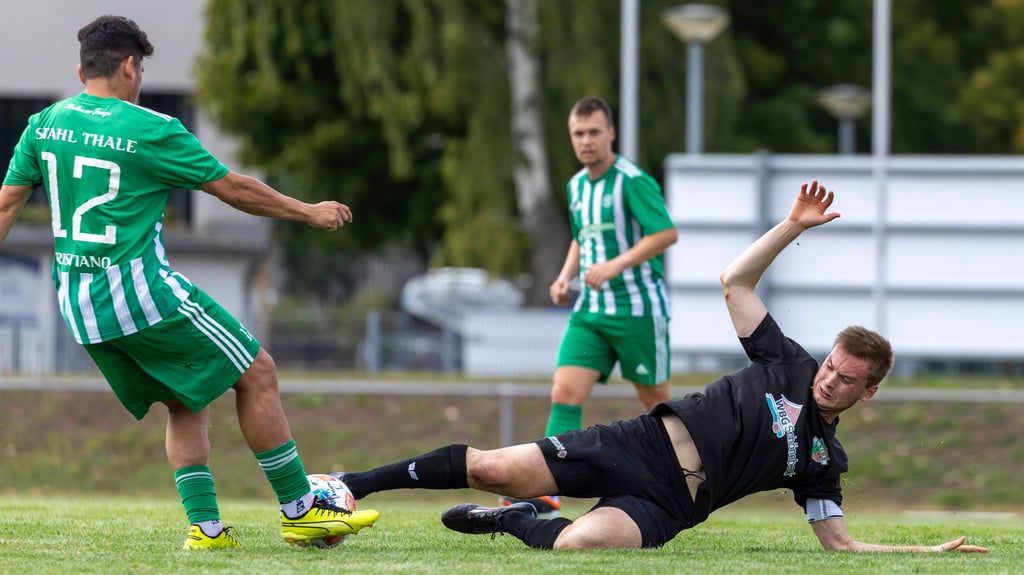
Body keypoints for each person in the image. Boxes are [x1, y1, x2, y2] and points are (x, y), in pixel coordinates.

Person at [333, 181, 988, 553]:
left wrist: (924, 552)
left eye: (846, 379)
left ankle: (510, 519)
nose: (829, 379)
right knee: (493, 468)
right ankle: (352, 484)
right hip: (639, 443)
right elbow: (734, 281)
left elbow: (839, 546)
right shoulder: (787, 360)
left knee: (575, 547)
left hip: (672, 503)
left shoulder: (824, 460)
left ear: (867, 393)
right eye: (831, 367)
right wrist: (792, 226)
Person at [0, 15, 378, 549]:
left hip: (79, 305)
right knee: (258, 372)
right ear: (130, 66)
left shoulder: (43, 125)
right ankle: (302, 510)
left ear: (81, 72)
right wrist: (308, 210)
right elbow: (233, 188)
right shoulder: (151, 129)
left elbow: (6, 206)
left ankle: (206, 530)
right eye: (141, 69)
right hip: (139, 294)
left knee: (184, 399)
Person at [505, 97, 678, 516]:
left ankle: (685, 481)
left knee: (655, 401)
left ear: (610, 133)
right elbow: (582, 238)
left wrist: (616, 264)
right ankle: (546, 490)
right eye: (578, 133)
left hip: (638, 311)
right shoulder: (576, 186)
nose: (586, 140)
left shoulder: (632, 181)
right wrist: (565, 276)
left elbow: (665, 234)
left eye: (594, 132)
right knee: (565, 391)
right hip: (591, 312)